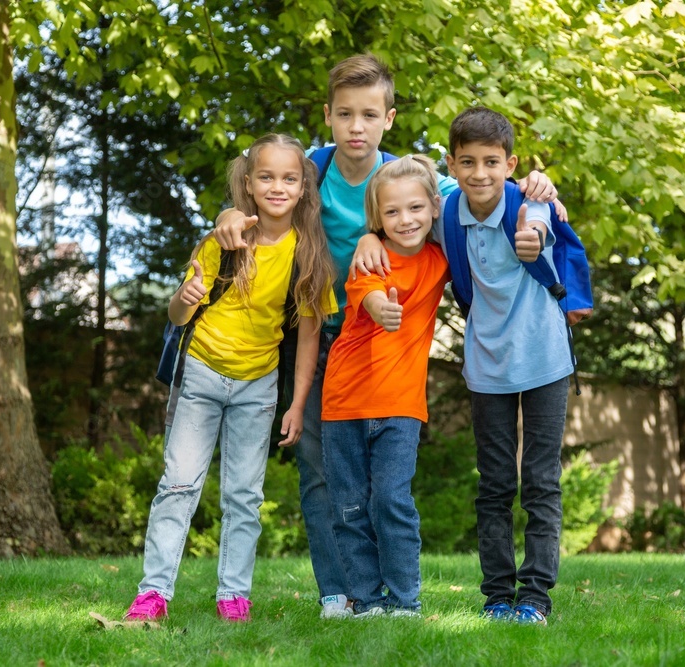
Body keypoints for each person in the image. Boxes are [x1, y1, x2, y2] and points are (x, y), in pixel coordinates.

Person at [211, 54, 558, 619]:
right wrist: (230, 212)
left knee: (382, 486)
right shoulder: (313, 170)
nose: (356, 127)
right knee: (323, 475)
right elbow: (261, 196)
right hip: (320, 338)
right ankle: (337, 592)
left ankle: (387, 594)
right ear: (328, 116)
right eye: (345, 114)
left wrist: (537, 190)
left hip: (388, 350)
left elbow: (484, 187)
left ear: (388, 120)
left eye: (369, 115)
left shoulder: (412, 179)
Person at [354, 106, 571, 625]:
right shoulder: (446, 213)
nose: (480, 174)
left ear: (511, 163)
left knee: (541, 481)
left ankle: (535, 598)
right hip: (487, 368)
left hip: (546, 360)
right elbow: (399, 216)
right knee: (495, 483)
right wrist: (368, 235)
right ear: (450, 166)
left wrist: (535, 231)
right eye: (467, 162)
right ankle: (497, 595)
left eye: (492, 162)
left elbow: (539, 222)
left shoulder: (527, 204)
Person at [124, 134, 336, 623]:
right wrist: (187, 294)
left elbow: (308, 339)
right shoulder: (224, 238)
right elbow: (178, 314)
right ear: (248, 183)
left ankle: (233, 597)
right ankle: (153, 594)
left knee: (244, 495)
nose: (277, 187)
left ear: (304, 186)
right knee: (178, 485)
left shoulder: (308, 255)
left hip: (258, 385)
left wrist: (298, 403)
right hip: (200, 372)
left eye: (289, 178)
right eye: (266, 177)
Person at [321, 154, 448, 618]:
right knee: (349, 506)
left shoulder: (440, 257)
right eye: (391, 212)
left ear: (433, 207)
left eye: (415, 208)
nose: (405, 219)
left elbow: (478, 201)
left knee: (393, 500)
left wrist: (537, 193)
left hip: (400, 403)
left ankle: (405, 601)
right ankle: (366, 601)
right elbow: (370, 295)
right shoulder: (369, 257)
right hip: (344, 400)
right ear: (377, 218)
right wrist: (382, 309)